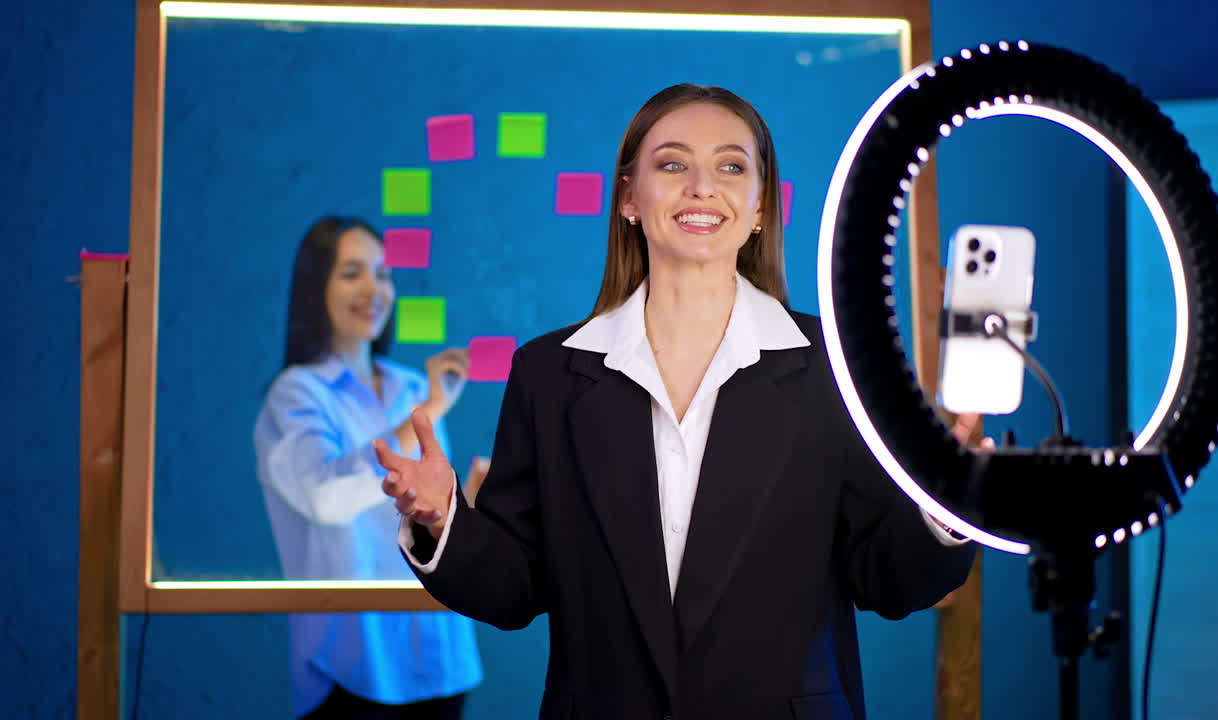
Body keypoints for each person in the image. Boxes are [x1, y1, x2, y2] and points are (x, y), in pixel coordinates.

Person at [376, 85, 977, 720]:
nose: (701, 186)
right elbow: (514, 586)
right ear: (629, 198)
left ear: (760, 208)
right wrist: (443, 517)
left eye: (730, 166)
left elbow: (886, 578)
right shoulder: (549, 374)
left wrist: (947, 501)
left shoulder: (839, 366)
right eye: (672, 164)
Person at [253, 216, 486, 720]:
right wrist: (423, 418)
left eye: (383, 274)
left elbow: (424, 508)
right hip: (354, 668)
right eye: (352, 272)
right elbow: (326, 498)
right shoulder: (295, 394)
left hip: (441, 656)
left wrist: (471, 502)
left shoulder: (412, 388)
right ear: (317, 288)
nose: (373, 289)